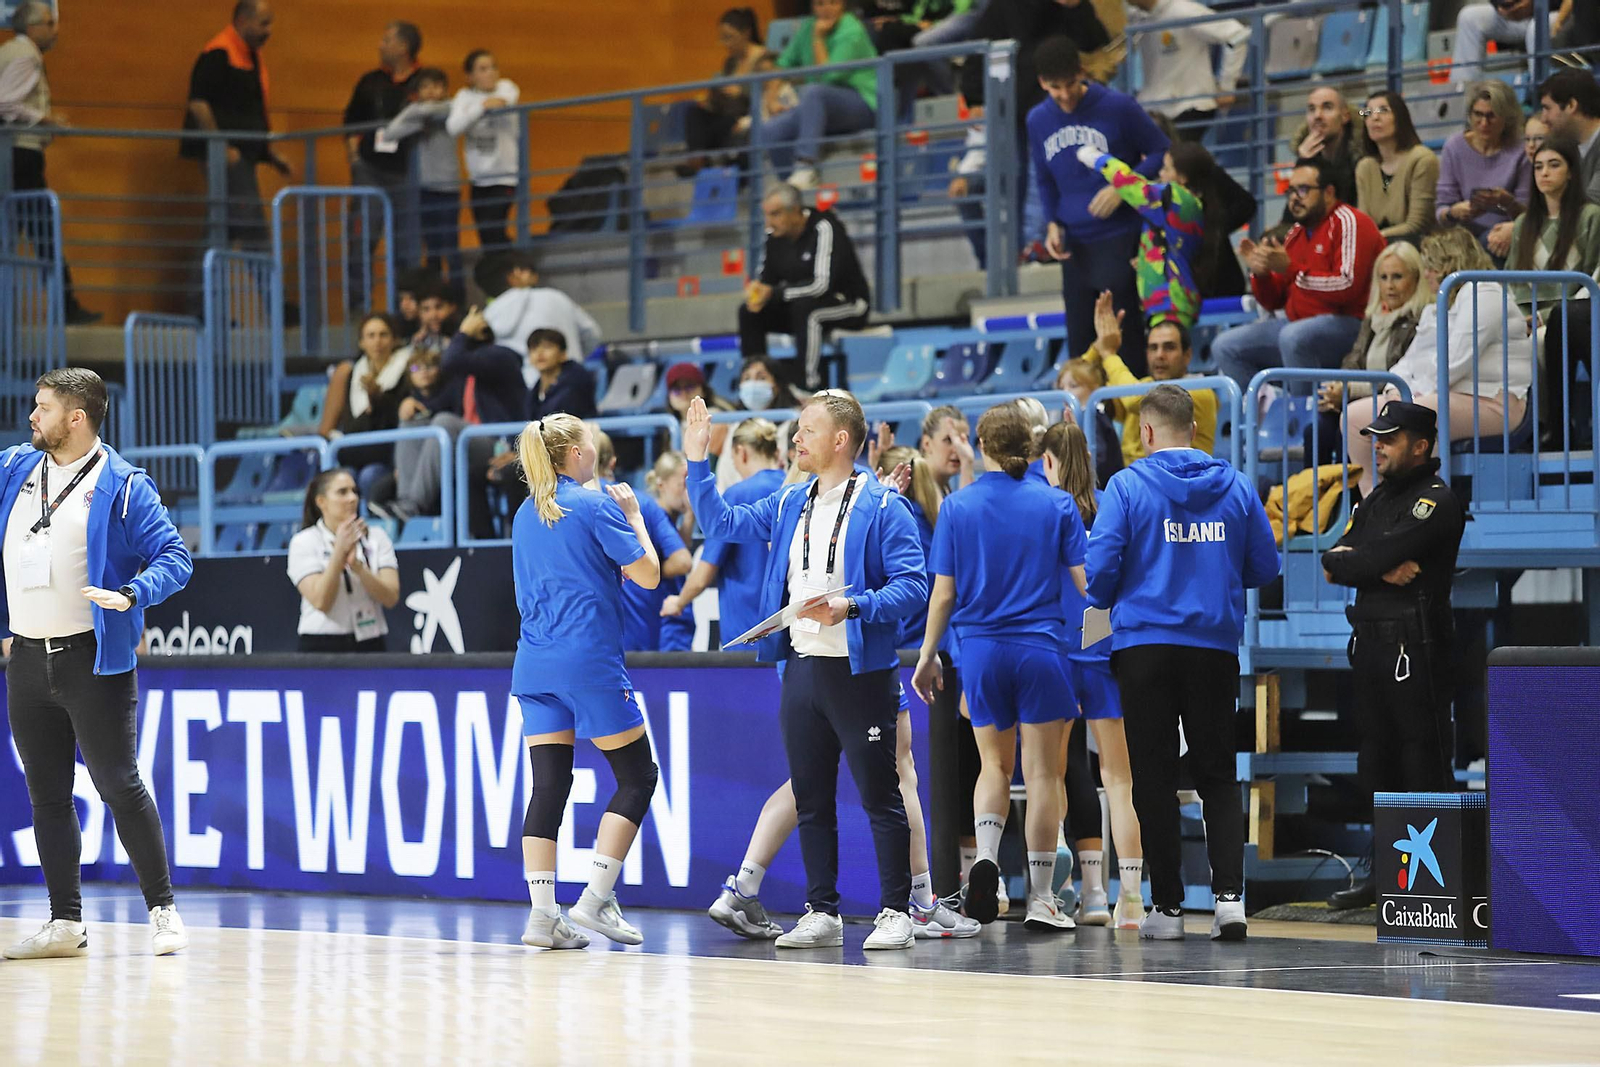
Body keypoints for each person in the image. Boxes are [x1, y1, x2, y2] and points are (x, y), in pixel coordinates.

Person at [683, 390, 927, 951]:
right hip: (801, 666)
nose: (795, 439)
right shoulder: (791, 500)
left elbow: (913, 585)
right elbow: (720, 519)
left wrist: (855, 605)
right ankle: (823, 910)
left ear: (840, 441)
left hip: (860, 670)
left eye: (806, 431)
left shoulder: (885, 506)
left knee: (879, 793)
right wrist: (698, 459)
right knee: (812, 796)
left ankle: (896, 911)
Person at [1, 369, 194, 960]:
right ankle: (66, 922)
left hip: (92, 661)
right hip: (27, 661)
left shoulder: (123, 483)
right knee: (47, 797)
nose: (32, 417)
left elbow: (175, 555)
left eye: (42, 408)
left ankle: (163, 912)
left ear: (76, 417)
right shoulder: (13, 469)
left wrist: (132, 593)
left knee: (118, 784)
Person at [1085, 384, 1279, 940]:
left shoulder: (1125, 486)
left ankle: (1166, 910)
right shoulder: (1237, 486)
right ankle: (1229, 903)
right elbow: (1264, 567)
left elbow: (1099, 575)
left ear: (1145, 433)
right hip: (1213, 649)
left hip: (1143, 647)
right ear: (1194, 429)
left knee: (1152, 777)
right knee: (1218, 774)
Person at [912, 404, 1086, 931]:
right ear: (1032, 450)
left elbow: (943, 595)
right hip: (1041, 650)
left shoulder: (958, 508)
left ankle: (985, 857)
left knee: (994, 766)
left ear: (982, 446)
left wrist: (926, 656)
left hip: (983, 651)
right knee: (1041, 775)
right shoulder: (1057, 504)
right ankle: (1041, 898)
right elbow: (1088, 584)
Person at [510, 413, 662, 949]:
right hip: (589, 663)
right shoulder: (599, 507)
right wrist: (635, 516)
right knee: (638, 776)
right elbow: (649, 575)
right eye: (591, 443)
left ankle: (542, 917)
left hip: (534, 664)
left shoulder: (526, 513)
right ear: (575, 454)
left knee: (549, 785)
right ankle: (595, 898)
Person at [1322, 401, 1466, 911]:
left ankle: (1427, 883)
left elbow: (1358, 557)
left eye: (1390, 438)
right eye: (1376, 438)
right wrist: (1377, 567)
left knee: (1421, 758)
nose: (1378, 446)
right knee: (1375, 760)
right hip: (1371, 646)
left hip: (1418, 647)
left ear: (1421, 446)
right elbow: (1330, 560)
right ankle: (1385, 872)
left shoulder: (1437, 500)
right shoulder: (1379, 498)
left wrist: (1364, 561)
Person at [1040, 419, 1145, 929]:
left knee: (1052, 775)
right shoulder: (1112, 504)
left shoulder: (1044, 509)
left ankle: (1060, 887)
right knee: (1119, 780)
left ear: (1049, 461)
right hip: (1103, 651)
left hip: (1057, 653)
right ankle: (1125, 899)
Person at [1343, 228, 1533, 498]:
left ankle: (1419, 503)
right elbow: (1406, 364)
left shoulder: (1485, 293)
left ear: (1449, 263)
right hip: (1443, 396)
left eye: (1430, 266)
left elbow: (1455, 362)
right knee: (1352, 418)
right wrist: (1396, 391)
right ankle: (1375, 501)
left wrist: (1413, 395)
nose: (1426, 274)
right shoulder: (1437, 308)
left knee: (1420, 411)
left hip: (1496, 403)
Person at [1032, 36, 1169, 377]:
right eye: (1054, 88)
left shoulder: (1118, 106)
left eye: (1069, 85)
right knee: (1081, 350)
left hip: (1119, 236)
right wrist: (1051, 223)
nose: (1064, 95)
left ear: (1082, 73)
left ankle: (1134, 423)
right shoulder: (1037, 119)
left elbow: (1161, 152)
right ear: (1041, 83)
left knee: (1126, 342)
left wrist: (1122, 187)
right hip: (1075, 247)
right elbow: (1044, 178)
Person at [1215, 156, 1384, 397]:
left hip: (1352, 324)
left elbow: (1347, 285)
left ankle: (1302, 420)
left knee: (1293, 336)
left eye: (1303, 189)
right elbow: (1275, 301)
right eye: (1291, 190)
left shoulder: (1350, 222)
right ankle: (1258, 420)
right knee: (1226, 346)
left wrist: (1291, 268)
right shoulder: (1296, 233)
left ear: (1328, 193)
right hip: (1299, 326)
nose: (1294, 197)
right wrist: (1261, 274)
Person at [0, 2, 99, 323]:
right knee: (44, 231)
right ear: (31, 28)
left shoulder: (9, 51)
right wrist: (45, 120)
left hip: (11, 154)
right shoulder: (27, 55)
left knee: (14, 234)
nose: (55, 30)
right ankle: (66, 307)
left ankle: (62, 306)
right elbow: (6, 102)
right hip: (22, 154)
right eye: (49, 23)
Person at [1071, 138, 1225, 328]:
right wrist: (1146, 263)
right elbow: (1171, 249)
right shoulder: (1182, 206)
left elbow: (1131, 186)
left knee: (1166, 355)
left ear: (1183, 178)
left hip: (1171, 303)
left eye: (1166, 169)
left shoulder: (1179, 199)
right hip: (1164, 302)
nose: (1160, 174)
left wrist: (1097, 159)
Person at [662, 417, 787, 647]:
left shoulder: (736, 496)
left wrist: (679, 602)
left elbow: (703, 574)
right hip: (787, 635)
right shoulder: (792, 490)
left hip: (745, 637)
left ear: (742, 453)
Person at [739, 183, 870, 390]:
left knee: (808, 311)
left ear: (795, 211)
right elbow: (766, 281)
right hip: (800, 306)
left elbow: (822, 285)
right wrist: (757, 295)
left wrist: (773, 293)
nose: (769, 223)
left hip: (848, 304)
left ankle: (807, 385)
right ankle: (755, 381)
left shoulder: (824, 227)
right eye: (767, 215)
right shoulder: (773, 237)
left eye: (775, 214)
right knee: (749, 313)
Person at [1311, 242, 1429, 468]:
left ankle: (1356, 499)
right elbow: (1353, 360)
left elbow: (1401, 374)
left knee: (1343, 431)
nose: (1389, 286)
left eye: (1397, 277)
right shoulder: (1372, 319)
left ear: (1415, 278)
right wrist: (1340, 387)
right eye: (1383, 278)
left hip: (1395, 403)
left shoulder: (1422, 320)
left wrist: (1351, 390)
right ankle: (1316, 499)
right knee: (1316, 429)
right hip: (1362, 398)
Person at [1082, 293, 1218, 465]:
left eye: (1169, 347)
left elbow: (1134, 400)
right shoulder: (1144, 384)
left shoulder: (1200, 390)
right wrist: (1098, 346)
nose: (1160, 355)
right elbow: (1078, 382)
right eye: (1153, 348)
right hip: (1133, 480)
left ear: (1187, 355)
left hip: (1182, 481)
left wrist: (1108, 353)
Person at [757, 0, 878, 189]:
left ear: (842, 5)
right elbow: (781, 67)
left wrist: (818, 39)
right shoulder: (807, 28)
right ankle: (791, 192)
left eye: (832, 2)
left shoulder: (851, 30)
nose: (826, 8)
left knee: (814, 92)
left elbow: (828, 78)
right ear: (813, 7)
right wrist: (771, 100)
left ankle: (805, 165)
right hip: (819, 105)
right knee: (772, 130)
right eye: (820, 4)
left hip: (862, 103)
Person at [343, 21, 425, 289]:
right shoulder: (371, 80)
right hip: (369, 168)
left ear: (403, 47)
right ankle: (359, 303)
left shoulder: (424, 81)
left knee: (406, 244)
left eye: (387, 40)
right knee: (362, 238)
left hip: (407, 171)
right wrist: (354, 157)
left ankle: (408, 305)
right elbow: (350, 121)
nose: (381, 44)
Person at [287, 468, 400, 651]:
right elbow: (321, 601)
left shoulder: (377, 537)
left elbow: (391, 597)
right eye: (342, 492)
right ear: (321, 502)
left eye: (355, 491)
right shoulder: (304, 542)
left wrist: (358, 567)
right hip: (321, 644)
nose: (352, 498)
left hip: (370, 641)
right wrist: (339, 553)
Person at [1506, 134, 1600, 324]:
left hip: (1575, 320)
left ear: (1571, 172)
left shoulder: (1591, 216)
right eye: (1538, 167)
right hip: (1524, 322)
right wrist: (1521, 319)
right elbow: (1512, 282)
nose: (1544, 173)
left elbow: (1595, 280)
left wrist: (1546, 317)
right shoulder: (1522, 223)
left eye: (1554, 165)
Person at [317, 312, 413, 491]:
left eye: (383, 335)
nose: (377, 341)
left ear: (394, 339)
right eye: (371, 336)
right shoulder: (351, 374)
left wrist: (379, 399)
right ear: (361, 342)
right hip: (356, 454)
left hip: (390, 455)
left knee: (370, 476)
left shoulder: (408, 371)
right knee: (344, 478)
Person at [383, 67, 461, 284]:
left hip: (448, 189)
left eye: (436, 86)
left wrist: (420, 112)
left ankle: (458, 295)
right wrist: (417, 117)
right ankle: (434, 293)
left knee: (450, 247)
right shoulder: (418, 115)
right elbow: (390, 133)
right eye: (425, 87)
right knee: (432, 247)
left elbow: (444, 110)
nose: (431, 91)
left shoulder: (453, 108)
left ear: (445, 89)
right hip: (425, 189)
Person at [1125, 0, 1248, 137]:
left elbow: (1237, 35)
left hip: (1189, 105)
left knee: (1172, 155)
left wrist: (1227, 86)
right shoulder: (1137, 18)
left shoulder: (1183, 11)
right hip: (1154, 107)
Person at [1435, 80, 1530, 255]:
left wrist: (1507, 202)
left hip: (1507, 232)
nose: (1484, 123)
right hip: (1464, 234)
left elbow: (1528, 213)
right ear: (1470, 115)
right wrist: (1454, 212)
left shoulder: (1520, 151)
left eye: (1491, 116)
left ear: (1506, 118)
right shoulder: (1454, 147)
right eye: (1478, 115)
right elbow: (1441, 210)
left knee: (1491, 242)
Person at [678, 8, 771, 176]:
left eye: (730, 38)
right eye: (723, 39)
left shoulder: (765, 60)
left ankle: (708, 164)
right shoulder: (730, 62)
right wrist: (712, 100)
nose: (726, 44)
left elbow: (769, 96)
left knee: (727, 124)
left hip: (746, 120)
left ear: (746, 33)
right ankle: (697, 161)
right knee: (693, 112)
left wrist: (740, 93)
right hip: (726, 117)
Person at [448, 49, 521, 252]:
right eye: (482, 69)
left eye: (493, 67)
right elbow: (453, 127)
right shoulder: (464, 95)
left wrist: (471, 112)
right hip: (479, 179)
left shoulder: (506, 86)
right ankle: (504, 276)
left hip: (504, 177)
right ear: (470, 76)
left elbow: (500, 101)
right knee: (485, 236)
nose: (490, 72)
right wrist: (480, 108)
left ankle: (517, 269)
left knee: (493, 229)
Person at [477, 250, 602, 363]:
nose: (535, 277)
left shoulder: (488, 315)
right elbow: (592, 333)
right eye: (529, 271)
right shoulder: (555, 296)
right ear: (514, 274)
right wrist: (573, 360)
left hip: (518, 386)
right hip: (571, 381)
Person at [1355, 91, 1439, 246]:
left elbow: (1416, 225)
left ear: (1400, 117)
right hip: (1377, 244)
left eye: (1383, 110)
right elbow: (1363, 224)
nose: (1375, 117)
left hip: (1415, 245)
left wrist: (1375, 238)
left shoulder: (1422, 159)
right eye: (1368, 113)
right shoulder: (1365, 167)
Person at [1280, 88, 1360, 223]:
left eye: (1327, 108)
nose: (1317, 115)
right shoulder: (1308, 157)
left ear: (1345, 116)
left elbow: (1344, 207)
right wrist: (1303, 163)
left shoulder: (1361, 158)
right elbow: (1293, 219)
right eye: (1311, 109)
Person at [1453, 1, 1564, 88]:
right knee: (1469, 17)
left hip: (1560, 12)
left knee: (1536, 28)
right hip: (1522, 14)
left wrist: (1533, 4)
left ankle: (1541, 95)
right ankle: (1462, 96)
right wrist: (1502, 5)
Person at [1056, 357, 1124, 487]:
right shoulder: (1082, 417)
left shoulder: (1095, 418)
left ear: (1094, 389)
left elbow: (1099, 461)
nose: (1066, 392)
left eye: (1073, 386)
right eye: (1062, 387)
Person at [1537, 69, 1600, 204]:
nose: (1543, 119)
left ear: (1571, 105)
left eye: (1547, 108)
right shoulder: (1572, 149)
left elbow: (1592, 207)